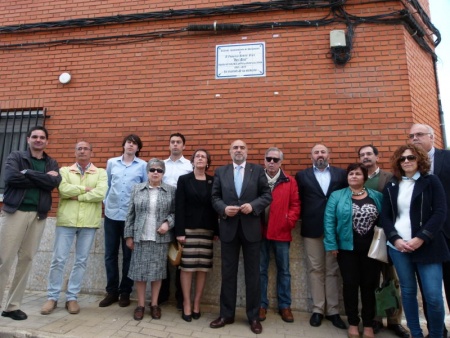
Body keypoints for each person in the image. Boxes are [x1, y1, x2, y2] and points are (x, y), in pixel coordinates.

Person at [381, 144, 449, 338]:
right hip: (399, 247)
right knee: (408, 292)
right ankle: (416, 334)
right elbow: (385, 216)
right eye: (402, 159)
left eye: (411, 158)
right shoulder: (392, 184)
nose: (407, 161)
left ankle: (436, 334)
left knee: (434, 297)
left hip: (428, 246)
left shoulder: (431, 181)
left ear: (420, 160)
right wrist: (395, 239)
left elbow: (440, 212)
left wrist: (421, 237)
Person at [210, 140, 272, 335]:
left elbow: (267, 195)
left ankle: (254, 317)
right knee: (228, 274)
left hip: (251, 229)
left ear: (247, 151)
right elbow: (214, 197)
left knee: (253, 275)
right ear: (230, 152)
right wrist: (223, 209)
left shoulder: (257, 170)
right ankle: (226, 314)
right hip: (228, 229)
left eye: (242, 147)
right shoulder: (221, 172)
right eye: (235, 148)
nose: (238, 150)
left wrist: (253, 206)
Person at [0, 126, 61, 321]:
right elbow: (11, 177)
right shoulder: (16, 157)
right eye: (34, 136)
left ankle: (12, 307)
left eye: (42, 137)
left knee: (26, 260)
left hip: (37, 215)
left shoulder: (51, 162)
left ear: (47, 141)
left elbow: (53, 183)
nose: (38, 140)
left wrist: (27, 173)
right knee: (4, 260)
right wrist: (41, 178)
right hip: (14, 213)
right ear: (28, 139)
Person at [40, 141, 108, 315]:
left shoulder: (100, 172)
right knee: (58, 259)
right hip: (67, 221)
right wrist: (85, 189)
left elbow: (100, 193)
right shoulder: (64, 171)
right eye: (79, 148)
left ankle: (72, 298)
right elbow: (63, 190)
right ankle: (52, 297)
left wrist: (78, 196)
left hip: (88, 223)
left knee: (81, 261)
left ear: (91, 152)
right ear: (75, 152)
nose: (82, 151)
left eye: (86, 148)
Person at [324, 163, 382, 338]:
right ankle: (353, 323)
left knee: (369, 286)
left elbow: (385, 220)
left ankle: (369, 324)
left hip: (372, 251)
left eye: (358, 174)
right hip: (346, 249)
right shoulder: (337, 196)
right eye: (351, 174)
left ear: (364, 177)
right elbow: (329, 221)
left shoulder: (377, 196)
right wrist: (332, 244)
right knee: (350, 285)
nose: (354, 176)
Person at [358, 145, 409, 338]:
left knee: (391, 280)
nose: (365, 158)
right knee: (370, 281)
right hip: (364, 238)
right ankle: (375, 319)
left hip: (387, 237)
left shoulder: (389, 178)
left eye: (369, 154)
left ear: (377, 157)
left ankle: (395, 320)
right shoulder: (358, 178)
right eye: (362, 155)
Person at [295, 144, 347, 329]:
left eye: (323, 152)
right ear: (311, 156)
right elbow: (298, 199)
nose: (320, 155)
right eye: (316, 152)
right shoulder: (302, 176)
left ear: (329, 155)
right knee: (315, 269)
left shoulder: (341, 175)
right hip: (312, 228)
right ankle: (318, 309)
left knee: (332, 270)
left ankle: (333, 311)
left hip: (335, 229)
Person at [409, 123, 450, 334]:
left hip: (448, 231)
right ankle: (437, 330)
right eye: (411, 136)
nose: (414, 138)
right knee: (429, 290)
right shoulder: (408, 166)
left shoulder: (447, 157)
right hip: (423, 236)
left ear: (432, 137)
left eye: (419, 134)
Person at [124, 158, 176, 321]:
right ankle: (140, 305)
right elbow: (130, 214)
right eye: (152, 169)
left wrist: (168, 223)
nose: (155, 172)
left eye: (159, 170)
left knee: (157, 273)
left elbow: (176, 212)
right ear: (147, 172)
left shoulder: (171, 191)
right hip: (140, 237)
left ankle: (154, 304)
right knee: (139, 273)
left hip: (160, 238)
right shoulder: (137, 189)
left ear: (163, 173)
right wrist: (128, 235)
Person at [99, 134, 147, 308]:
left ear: (137, 148)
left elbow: (144, 190)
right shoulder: (112, 163)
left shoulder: (143, 166)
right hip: (111, 215)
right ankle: (111, 291)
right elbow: (108, 185)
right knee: (110, 254)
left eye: (134, 144)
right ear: (124, 145)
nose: (131, 146)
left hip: (130, 218)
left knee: (129, 256)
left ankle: (125, 292)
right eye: (128, 142)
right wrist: (106, 203)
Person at [174, 149, 218, 322]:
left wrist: (216, 230)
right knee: (187, 268)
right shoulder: (184, 180)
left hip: (207, 231)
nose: (200, 159)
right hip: (188, 230)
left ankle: (197, 303)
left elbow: (215, 207)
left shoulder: (213, 181)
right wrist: (179, 231)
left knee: (202, 268)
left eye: (203, 157)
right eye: (197, 156)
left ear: (207, 162)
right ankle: (186, 303)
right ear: (192, 161)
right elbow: (179, 206)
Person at [259, 147, 300, 323]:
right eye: (269, 159)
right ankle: (261, 305)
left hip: (281, 232)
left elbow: (296, 204)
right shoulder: (257, 179)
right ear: (264, 161)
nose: (272, 162)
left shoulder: (289, 181)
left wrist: (287, 221)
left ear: (281, 162)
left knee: (284, 271)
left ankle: (285, 305)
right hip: (260, 232)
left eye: (276, 160)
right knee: (261, 270)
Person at [159, 132, 193, 307]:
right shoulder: (161, 165)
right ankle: (162, 295)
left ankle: (181, 298)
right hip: (162, 215)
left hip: (182, 214)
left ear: (184, 146)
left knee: (181, 256)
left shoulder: (189, 165)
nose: (175, 145)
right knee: (163, 256)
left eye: (179, 142)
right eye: (172, 142)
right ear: (169, 145)